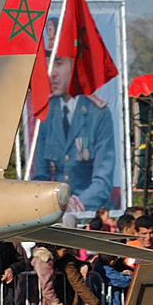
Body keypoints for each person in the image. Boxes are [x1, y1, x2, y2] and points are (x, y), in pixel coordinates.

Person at [31, 45, 117, 213]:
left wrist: (73, 206)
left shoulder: (98, 114)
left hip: (91, 213)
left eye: (59, 63)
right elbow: (40, 177)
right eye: (50, 64)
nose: (52, 73)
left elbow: (103, 182)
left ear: (75, 66)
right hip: (55, 213)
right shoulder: (47, 113)